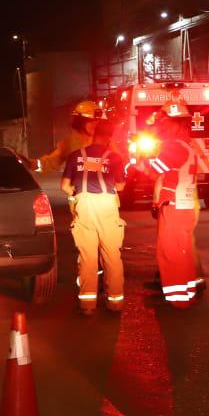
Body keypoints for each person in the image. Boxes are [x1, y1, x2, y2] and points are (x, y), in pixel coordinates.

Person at [61, 119, 128, 315]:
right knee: (112, 256)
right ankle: (115, 302)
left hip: (84, 206)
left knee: (88, 257)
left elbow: (65, 186)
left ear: (93, 134)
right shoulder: (115, 157)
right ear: (109, 137)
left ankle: (88, 305)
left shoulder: (76, 156)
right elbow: (121, 186)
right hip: (107, 205)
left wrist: (76, 192)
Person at [150, 115, 201, 308]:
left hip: (173, 207)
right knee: (184, 252)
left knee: (170, 253)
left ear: (177, 125)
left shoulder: (175, 147)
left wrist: (141, 157)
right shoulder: (189, 148)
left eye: (166, 124)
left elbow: (154, 168)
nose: (162, 128)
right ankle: (187, 293)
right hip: (185, 206)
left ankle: (178, 299)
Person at [39, 100, 99, 173]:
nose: (95, 124)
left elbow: (115, 163)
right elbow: (49, 163)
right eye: (91, 120)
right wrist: (30, 165)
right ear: (81, 121)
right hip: (78, 184)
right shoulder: (69, 143)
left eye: (97, 120)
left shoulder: (105, 141)